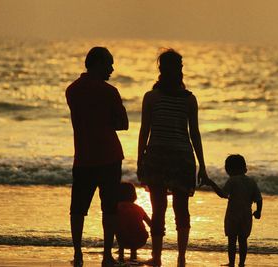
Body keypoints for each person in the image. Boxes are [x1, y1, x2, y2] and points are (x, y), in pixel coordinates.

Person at [137, 49, 209, 266]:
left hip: (170, 157)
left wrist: (203, 165)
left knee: (169, 209)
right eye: (178, 66)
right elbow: (144, 130)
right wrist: (140, 159)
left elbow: (194, 133)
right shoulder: (156, 97)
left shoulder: (184, 99)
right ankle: (169, 257)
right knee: (169, 209)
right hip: (171, 157)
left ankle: (172, 257)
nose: (179, 70)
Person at [66, 47, 129, 267]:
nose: (112, 69)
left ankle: (78, 253)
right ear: (97, 63)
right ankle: (107, 256)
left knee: (78, 208)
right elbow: (123, 124)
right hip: (109, 156)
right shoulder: (109, 91)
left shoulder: (72, 90)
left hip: (83, 156)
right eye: (108, 64)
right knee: (109, 207)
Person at [202, 154, 262, 267]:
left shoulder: (232, 180)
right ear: (245, 168)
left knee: (232, 241)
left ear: (229, 169)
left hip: (233, 214)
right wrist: (258, 211)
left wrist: (211, 184)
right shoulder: (251, 182)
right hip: (246, 215)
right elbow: (258, 198)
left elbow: (223, 194)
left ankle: (231, 263)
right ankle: (242, 263)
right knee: (243, 241)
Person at [116, 182, 151, 264]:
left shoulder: (117, 207)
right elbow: (150, 223)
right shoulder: (139, 208)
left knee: (119, 226)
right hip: (141, 239)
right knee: (133, 229)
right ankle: (133, 252)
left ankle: (121, 253)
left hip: (124, 239)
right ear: (133, 195)